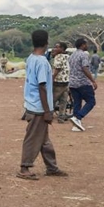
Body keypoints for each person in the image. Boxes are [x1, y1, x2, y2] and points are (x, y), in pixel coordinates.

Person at [18, 30, 66, 180]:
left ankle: (52, 167)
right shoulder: (42, 62)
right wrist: (47, 111)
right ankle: (24, 167)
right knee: (33, 138)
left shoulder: (31, 58)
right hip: (39, 107)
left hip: (32, 104)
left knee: (44, 139)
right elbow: (42, 87)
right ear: (46, 43)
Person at [68, 38, 97, 132]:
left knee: (77, 102)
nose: (87, 46)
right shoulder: (83, 55)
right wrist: (93, 80)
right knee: (91, 101)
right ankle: (78, 117)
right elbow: (85, 68)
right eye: (86, 44)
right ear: (82, 45)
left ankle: (76, 124)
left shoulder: (72, 55)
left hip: (72, 82)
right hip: (82, 82)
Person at [51, 42, 70, 123]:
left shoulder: (58, 57)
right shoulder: (67, 56)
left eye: (57, 47)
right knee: (63, 101)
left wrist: (52, 78)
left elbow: (57, 69)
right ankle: (61, 117)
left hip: (58, 81)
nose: (55, 48)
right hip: (66, 81)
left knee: (53, 100)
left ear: (62, 49)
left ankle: (49, 115)